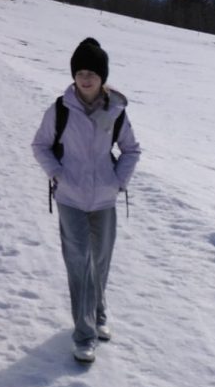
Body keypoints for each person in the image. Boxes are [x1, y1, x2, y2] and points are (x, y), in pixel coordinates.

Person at [31, 38, 140, 364]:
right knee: (79, 264)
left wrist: (118, 180)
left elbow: (131, 150)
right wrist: (58, 174)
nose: (85, 78)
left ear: (102, 77)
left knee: (100, 263)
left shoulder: (116, 112)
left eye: (92, 72)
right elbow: (40, 145)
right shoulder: (61, 110)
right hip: (71, 199)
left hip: (104, 200)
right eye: (80, 72)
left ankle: (99, 313)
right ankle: (84, 334)